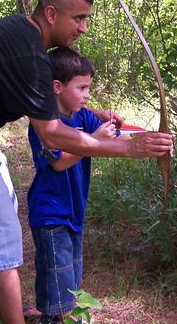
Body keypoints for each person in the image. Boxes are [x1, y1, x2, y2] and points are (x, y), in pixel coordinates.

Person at [0, 0, 173, 324]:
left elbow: (46, 101)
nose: (83, 27)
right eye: (78, 18)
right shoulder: (29, 53)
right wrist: (129, 148)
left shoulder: (27, 43)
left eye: (86, 19)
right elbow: (51, 134)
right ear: (51, 13)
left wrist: (94, 115)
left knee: (2, 218)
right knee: (2, 238)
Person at [27, 47, 129, 323]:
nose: (87, 95)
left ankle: (57, 316)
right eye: (82, 87)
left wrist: (126, 130)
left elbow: (115, 135)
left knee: (69, 278)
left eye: (88, 87)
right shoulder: (44, 124)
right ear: (57, 87)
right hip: (50, 213)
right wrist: (95, 139)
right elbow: (59, 162)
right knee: (57, 280)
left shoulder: (82, 116)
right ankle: (54, 318)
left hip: (74, 211)